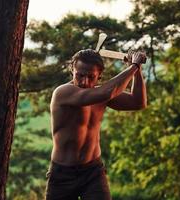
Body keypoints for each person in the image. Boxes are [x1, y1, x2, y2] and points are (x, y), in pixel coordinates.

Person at [45, 49, 147, 200]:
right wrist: (133, 66)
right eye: (79, 75)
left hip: (93, 171)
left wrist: (137, 70)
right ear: (72, 69)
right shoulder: (63, 93)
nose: (85, 82)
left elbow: (138, 102)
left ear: (99, 75)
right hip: (62, 174)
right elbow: (105, 93)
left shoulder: (103, 94)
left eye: (91, 77)